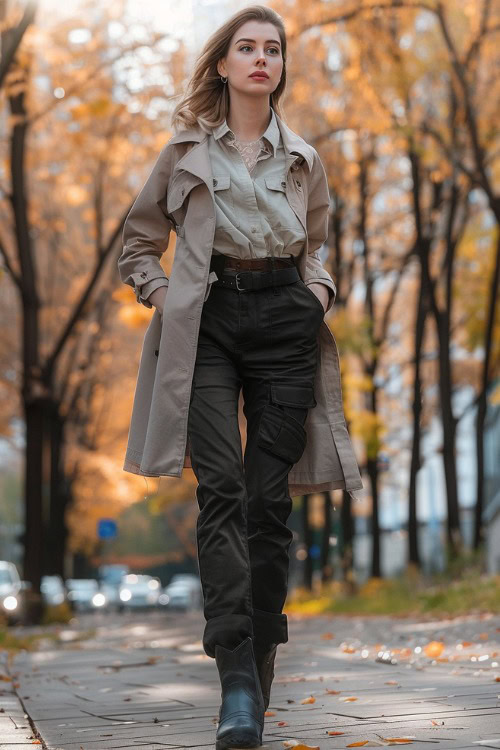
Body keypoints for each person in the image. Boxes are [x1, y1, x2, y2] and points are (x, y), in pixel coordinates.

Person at [117, 5, 363, 749]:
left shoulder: (304, 159)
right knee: (220, 485)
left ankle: (257, 663)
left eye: (273, 50)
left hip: (285, 323)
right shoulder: (184, 153)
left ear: (281, 68)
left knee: (267, 500)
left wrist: (315, 294)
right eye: (247, 49)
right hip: (210, 326)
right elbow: (137, 243)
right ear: (223, 65)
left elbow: (316, 245)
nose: (261, 59)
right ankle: (234, 679)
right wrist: (165, 297)